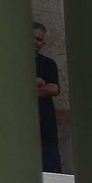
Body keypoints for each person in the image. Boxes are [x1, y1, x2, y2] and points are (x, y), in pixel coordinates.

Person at [35, 22, 62, 173]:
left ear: (43, 43)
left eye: (39, 39)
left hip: (46, 131)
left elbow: (53, 88)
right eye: (31, 37)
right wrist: (37, 82)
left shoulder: (48, 64)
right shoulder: (12, 62)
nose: (35, 42)